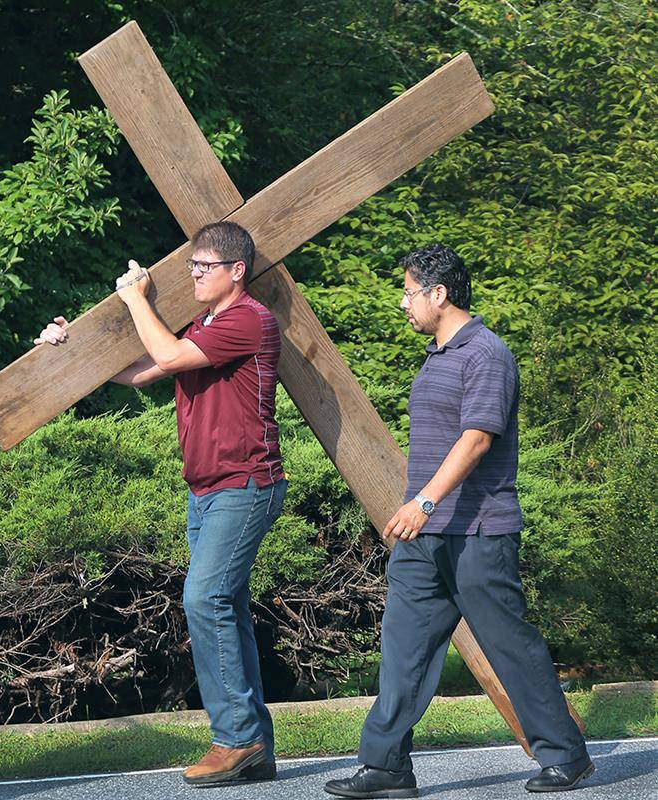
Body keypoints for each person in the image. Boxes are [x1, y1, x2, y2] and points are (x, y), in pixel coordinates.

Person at [325, 244, 593, 798]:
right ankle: (386, 767)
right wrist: (422, 511)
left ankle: (566, 754)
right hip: (426, 538)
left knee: (509, 645)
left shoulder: (486, 354)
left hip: (479, 531)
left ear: (438, 293)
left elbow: (476, 440)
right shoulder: (438, 355)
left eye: (408, 291)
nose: (403, 303)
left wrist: (421, 502)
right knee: (404, 648)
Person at [35, 221, 286, 786]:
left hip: (245, 483)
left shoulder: (248, 319)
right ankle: (255, 745)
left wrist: (134, 298)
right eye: (193, 265)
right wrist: (66, 345)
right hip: (207, 488)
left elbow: (168, 355)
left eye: (205, 266)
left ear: (236, 271)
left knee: (204, 599)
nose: (194, 273)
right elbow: (142, 372)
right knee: (227, 609)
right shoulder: (208, 324)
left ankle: (236, 739)